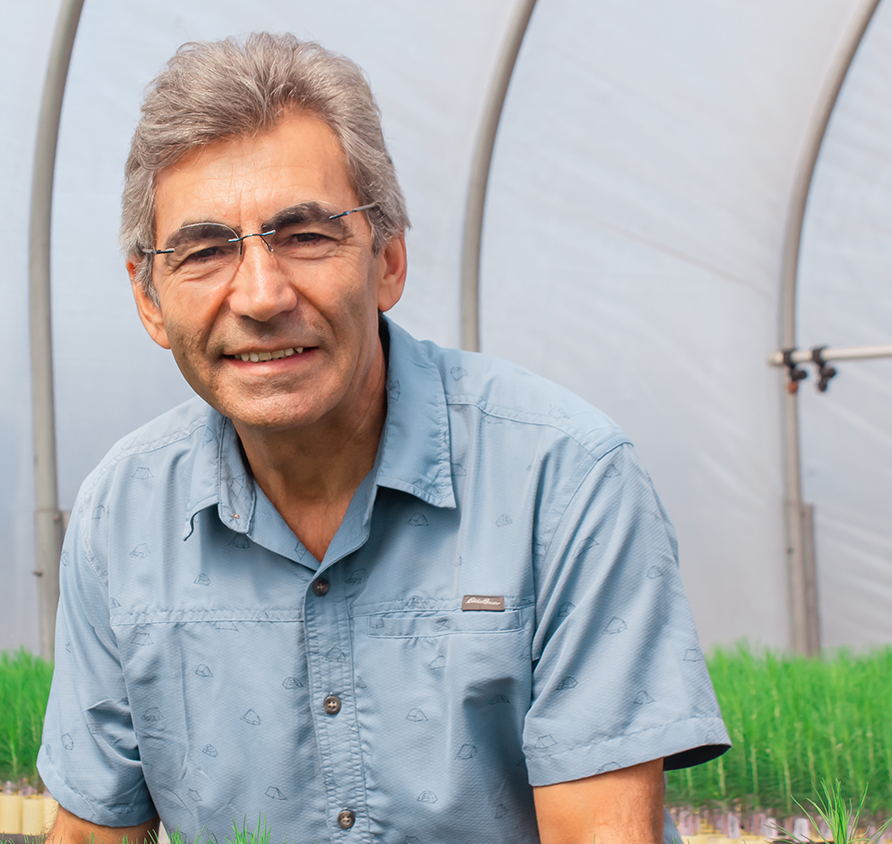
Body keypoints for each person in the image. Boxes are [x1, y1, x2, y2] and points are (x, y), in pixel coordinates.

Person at [39, 32, 728, 844]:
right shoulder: (123, 514)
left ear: (389, 259)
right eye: (204, 251)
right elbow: (92, 833)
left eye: (304, 236)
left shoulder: (565, 479)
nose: (259, 295)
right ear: (150, 299)